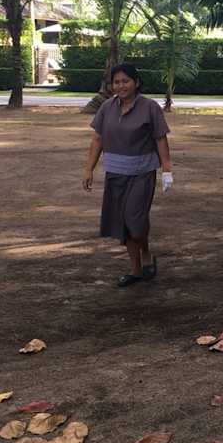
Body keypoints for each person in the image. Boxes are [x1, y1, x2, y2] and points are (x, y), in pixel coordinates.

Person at [83, 64, 173, 287]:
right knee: (122, 224)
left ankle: (146, 252)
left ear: (136, 82)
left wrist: (167, 169)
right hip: (115, 173)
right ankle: (135, 270)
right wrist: (89, 169)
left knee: (135, 219)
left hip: (142, 173)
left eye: (125, 81)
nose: (121, 86)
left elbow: (160, 138)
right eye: (117, 82)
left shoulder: (149, 107)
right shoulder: (107, 107)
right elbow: (98, 139)